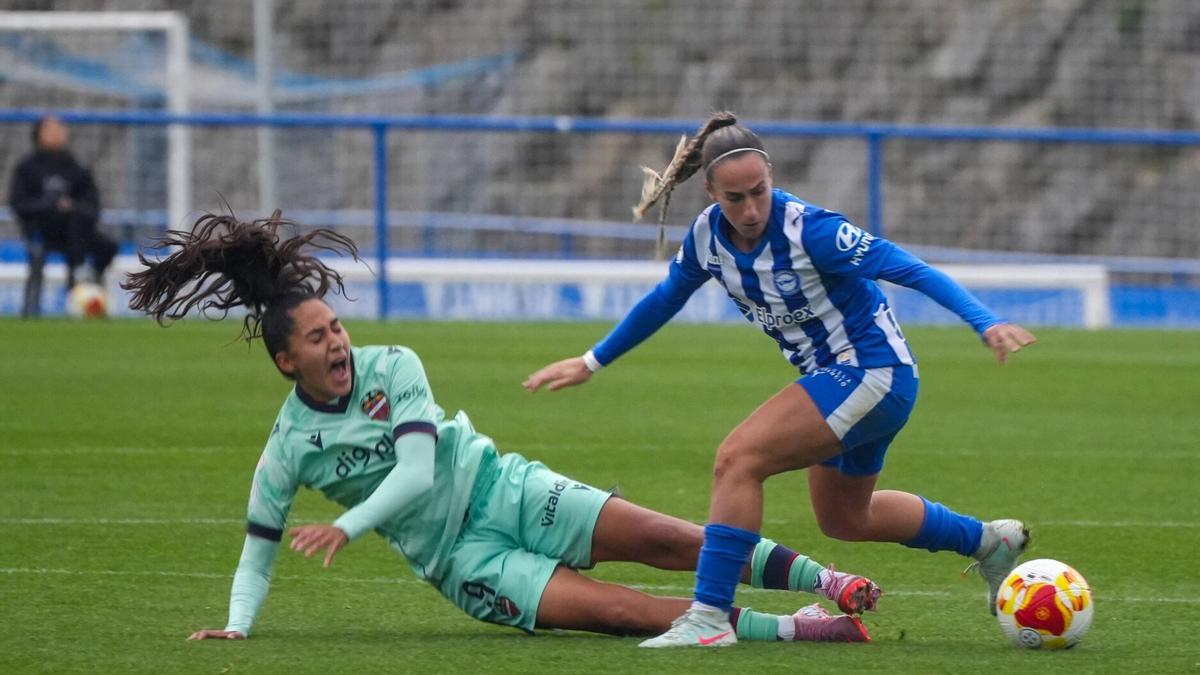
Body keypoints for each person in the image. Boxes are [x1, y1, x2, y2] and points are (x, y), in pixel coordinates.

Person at [122, 213, 879, 645]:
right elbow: (258, 547)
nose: (339, 342)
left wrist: (347, 526)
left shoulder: (393, 364)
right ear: (288, 361)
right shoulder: (287, 448)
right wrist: (237, 626)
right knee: (619, 613)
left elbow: (418, 471)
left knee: (667, 538)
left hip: (504, 488)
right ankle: (797, 628)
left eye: (338, 326)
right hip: (465, 560)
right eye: (318, 338)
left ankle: (828, 580)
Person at [523, 112, 1038, 648]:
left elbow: (907, 266)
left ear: (772, 177)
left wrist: (985, 320)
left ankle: (709, 618)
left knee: (738, 459)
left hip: (871, 372)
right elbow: (664, 299)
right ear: (710, 192)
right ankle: (986, 541)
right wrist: (592, 361)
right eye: (735, 198)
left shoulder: (811, 230)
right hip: (853, 383)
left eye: (759, 192)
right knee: (845, 518)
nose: (750, 209)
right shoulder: (707, 239)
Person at [8, 116, 118, 318]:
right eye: (51, 129)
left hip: (76, 231)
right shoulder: (26, 167)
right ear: (38, 134)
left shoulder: (76, 167)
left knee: (107, 245)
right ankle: (75, 280)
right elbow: (19, 204)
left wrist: (72, 206)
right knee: (71, 232)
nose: (59, 133)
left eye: (61, 128)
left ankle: (85, 281)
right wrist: (50, 205)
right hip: (42, 231)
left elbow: (92, 205)